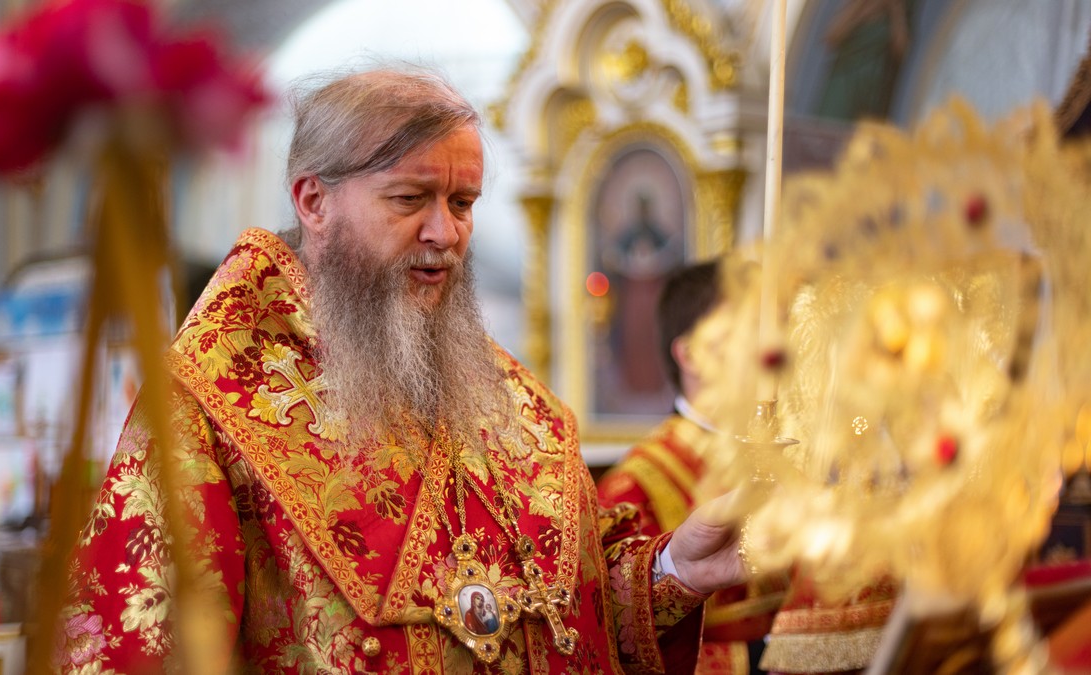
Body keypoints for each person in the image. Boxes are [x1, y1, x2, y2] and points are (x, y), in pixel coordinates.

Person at [55, 66, 747, 673]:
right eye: (410, 199)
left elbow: (569, 618)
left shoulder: (514, 402)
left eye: (463, 203)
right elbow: (141, 647)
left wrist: (676, 569)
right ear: (313, 201)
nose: (446, 233)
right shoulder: (209, 405)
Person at [597, 260, 788, 674]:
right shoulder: (630, 490)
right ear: (690, 355)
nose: (772, 351)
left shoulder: (788, 457)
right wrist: (761, 657)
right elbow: (620, 647)